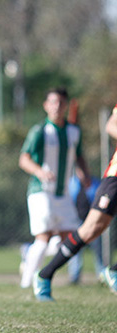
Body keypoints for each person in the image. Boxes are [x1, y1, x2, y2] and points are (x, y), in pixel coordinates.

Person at [34, 104, 117, 301]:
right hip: (116, 178)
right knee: (90, 230)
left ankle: (113, 270)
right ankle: (45, 275)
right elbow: (111, 125)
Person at [18, 87, 91, 289]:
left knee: (71, 239)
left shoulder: (74, 132)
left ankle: (29, 254)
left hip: (64, 193)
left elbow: (79, 156)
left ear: (66, 105)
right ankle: (27, 283)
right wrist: (40, 172)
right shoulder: (40, 131)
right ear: (45, 106)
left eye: (60, 102)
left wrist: (83, 172)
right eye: (53, 102)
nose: (57, 106)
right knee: (44, 236)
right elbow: (24, 159)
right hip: (41, 192)